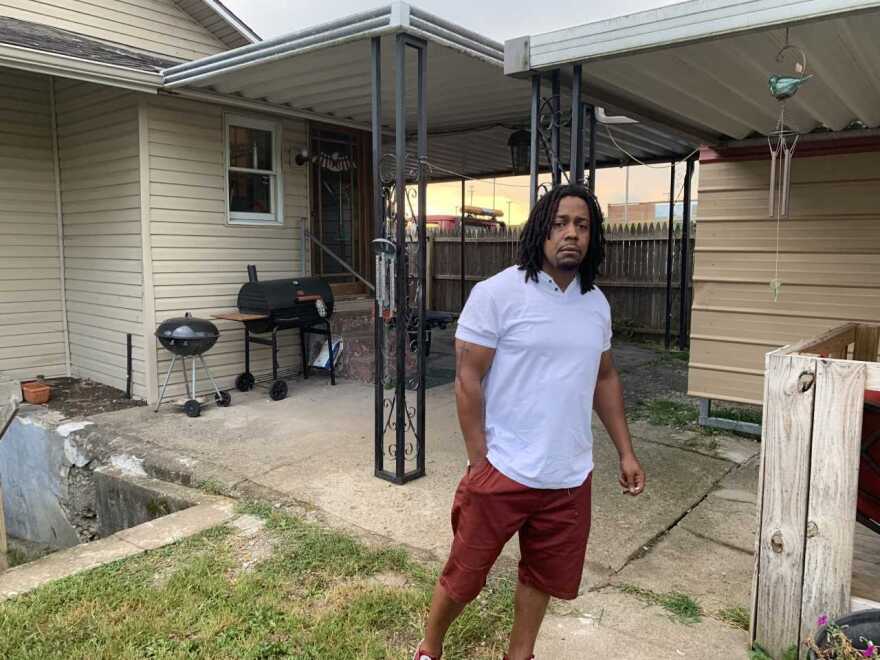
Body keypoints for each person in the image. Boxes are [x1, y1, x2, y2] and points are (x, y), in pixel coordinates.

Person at [413, 184, 646, 660]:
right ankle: (430, 648)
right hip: (504, 469)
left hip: (568, 475)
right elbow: (467, 379)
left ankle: (520, 655)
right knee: (466, 574)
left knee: (541, 576)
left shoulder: (595, 304)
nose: (571, 234)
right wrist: (479, 462)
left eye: (582, 226)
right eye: (560, 223)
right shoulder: (498, 294)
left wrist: (625, 450)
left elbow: (604, 377)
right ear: (540, 229)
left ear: (592, 237)